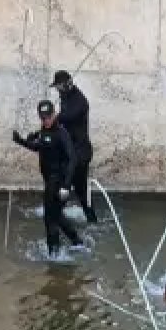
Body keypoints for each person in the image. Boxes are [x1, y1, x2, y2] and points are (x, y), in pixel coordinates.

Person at [12, 100, 84, 258]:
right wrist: (21, 141)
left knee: (49, 218)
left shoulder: (61, 133)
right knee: (56, 215)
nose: (46, 120)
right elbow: (39, 147)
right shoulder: (44, 131)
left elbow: (72, 159)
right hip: (50, 180)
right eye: (43, 118)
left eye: (48, 117)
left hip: (58, 181)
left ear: (53, 114)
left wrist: (66, 185)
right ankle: (77, 242)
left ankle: (54, 255)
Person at [50, 70, 98, 224]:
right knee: (80, 190)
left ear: (67, 85)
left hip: (80, 153)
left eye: (59, 87)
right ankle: (90, 220)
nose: (57, 91)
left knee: (68, 185)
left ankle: (55, 219)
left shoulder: (80, 101)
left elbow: (67, 117)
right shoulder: (66, 97)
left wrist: (54, 118)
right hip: (71, 151)